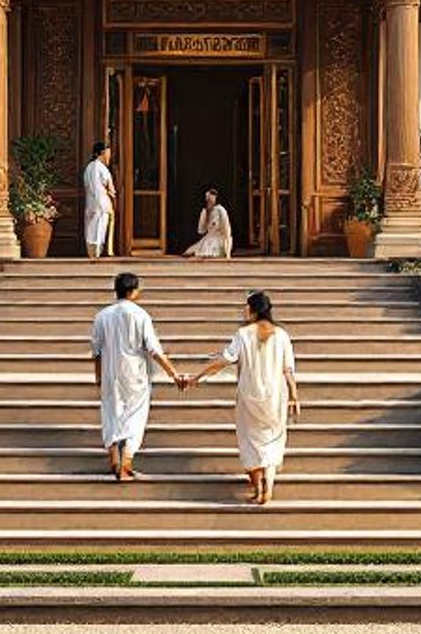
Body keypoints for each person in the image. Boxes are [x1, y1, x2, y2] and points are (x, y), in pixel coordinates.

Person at [191, 290, 300, 505]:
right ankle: (268, 486)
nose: (243, 310)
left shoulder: (243, 334)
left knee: (250, 441)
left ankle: (258, 487)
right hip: (276, 396)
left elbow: (225, 359)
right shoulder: (282, 335)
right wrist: (294, 396)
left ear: (253, 309)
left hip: (249, 396)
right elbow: (288, 370)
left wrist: (199, 376)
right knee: (272, 439)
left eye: (246, 306)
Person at [90, 270, 187, 481]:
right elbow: (154, 350)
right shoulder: (140, 315)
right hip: (136, 374)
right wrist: (174, 374)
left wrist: (98, 376)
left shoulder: (101, 316)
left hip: (110, 372)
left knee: (111, 413)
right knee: (135, 415)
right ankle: (126, 461)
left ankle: (114, 459)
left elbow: (96, 351)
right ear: (134, 291)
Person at [82, 139, 116, 258]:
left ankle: (93, 253)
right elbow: (106, 188)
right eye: (108, 153)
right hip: (101, 203)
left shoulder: (90, 167)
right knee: (98, 228)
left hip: (92, 203)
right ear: (102, 153)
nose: (109, 156)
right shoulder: (100, 168)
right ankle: (96, 254)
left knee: (92, 228)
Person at [184, 187, 234, 259]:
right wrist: (204, 216)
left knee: (210, 254)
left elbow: (227, 230)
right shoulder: (205, 211)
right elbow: (201, 230)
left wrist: (228, 252)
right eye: (208, 199)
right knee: (190, 253)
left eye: (211, 199)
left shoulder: (220, 210)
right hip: (208, 239)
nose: (209, 201)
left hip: (218, 240)